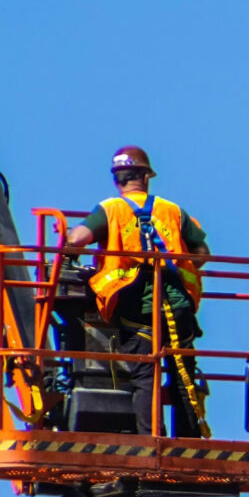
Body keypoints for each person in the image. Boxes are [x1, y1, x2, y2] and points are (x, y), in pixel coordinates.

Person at [66, 146, 210, 437]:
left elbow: (76, 240)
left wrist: (69, 248)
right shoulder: (172, 210)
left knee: (145, 375)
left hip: (136, 305)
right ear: (146, 177)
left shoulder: (110, 209)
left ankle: (151, 440)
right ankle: (190, 443)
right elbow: (202, 253)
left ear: (117, 180)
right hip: (177, 301)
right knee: (183, 374)